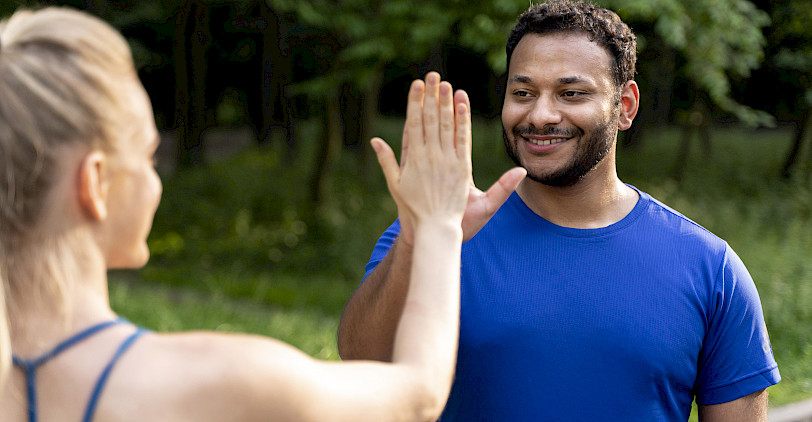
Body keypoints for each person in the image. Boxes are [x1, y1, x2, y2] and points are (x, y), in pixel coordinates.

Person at [0, 7, 527, 422]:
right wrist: (436, 224)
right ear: (94, 183)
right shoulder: (214, 379)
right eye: (145, 154)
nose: (153, 175)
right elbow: (415, 396)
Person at [337, 1, 781, 420]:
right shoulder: (438, 230)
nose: (541, 114)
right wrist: (421, 235)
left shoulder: (711, 268)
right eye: (524, 92)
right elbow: (361, 363)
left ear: (624, 106)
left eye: (571, 93)